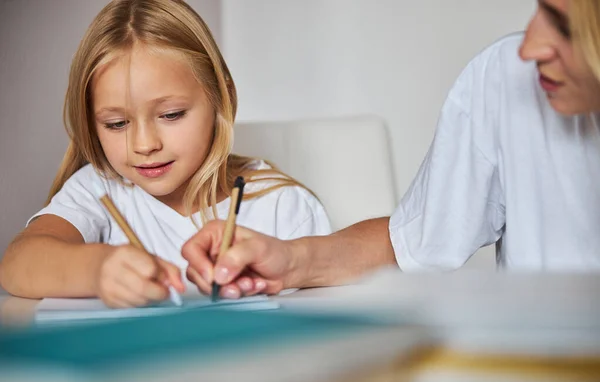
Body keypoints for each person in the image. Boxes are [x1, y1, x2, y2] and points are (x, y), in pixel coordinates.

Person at [181, 0, 600, 299]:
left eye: (566, 27)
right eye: (540, 8)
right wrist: (289, 260)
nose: (530, 48)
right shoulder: (506, 80)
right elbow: (410, 246)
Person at [0, 0, 331, 308]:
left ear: (222, 97)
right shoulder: (99, 190)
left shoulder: (283, 206)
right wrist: (97, 269)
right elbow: (17, 263)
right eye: (116, 124)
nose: (144, 145)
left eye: (171, 115)